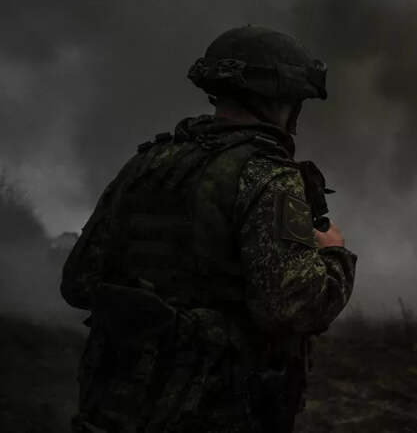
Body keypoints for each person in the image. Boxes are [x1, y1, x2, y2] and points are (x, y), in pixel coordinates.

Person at [60, 25, 357, 432]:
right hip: (211, 411)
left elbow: (78, 283)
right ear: (281, 99)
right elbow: (292, 308)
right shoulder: (267, 174)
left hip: (114, 406)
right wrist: (334, 254)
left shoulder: (147, 164)